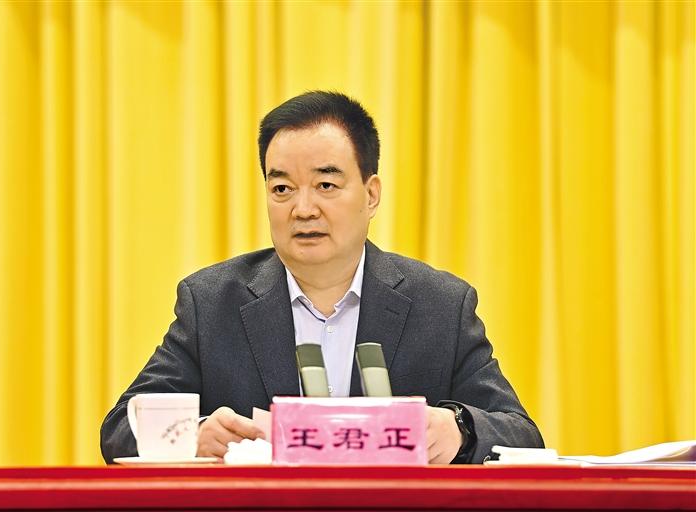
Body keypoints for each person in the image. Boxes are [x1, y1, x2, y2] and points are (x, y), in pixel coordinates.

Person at [100, 91, 543, 464]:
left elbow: (521, 435)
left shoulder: (440, 305)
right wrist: (193, 436)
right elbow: (120, 428)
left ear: (371, 195)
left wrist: (459, 429)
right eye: (282, 188)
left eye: (325, 185)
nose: (303, 209)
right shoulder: (213, 303)